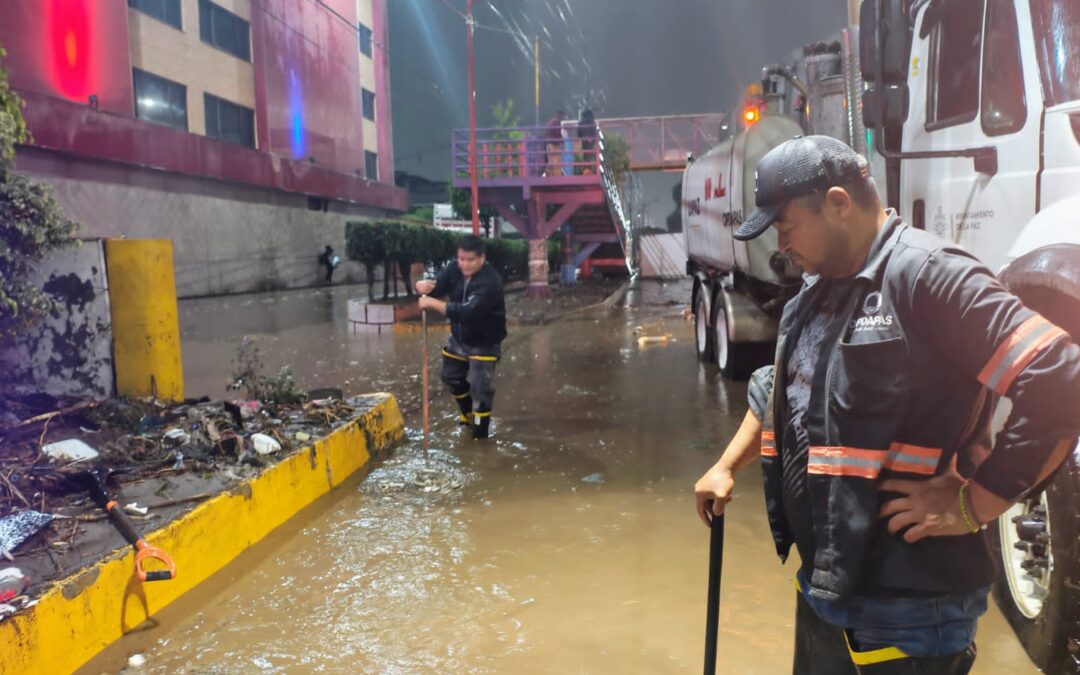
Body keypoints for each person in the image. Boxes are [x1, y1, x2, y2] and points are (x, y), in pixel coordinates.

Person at [695, 135, 1080, 674]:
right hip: (830, 584)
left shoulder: (930, 275)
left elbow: (1060, 381)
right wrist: (724, 466)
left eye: (786, 226)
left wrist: (978, 503)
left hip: (908, 609)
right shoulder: (818, 290)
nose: (781, 246)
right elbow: (782, 386)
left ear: (838, 203)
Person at [415, 235, 507, 440]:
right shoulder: (454, 269)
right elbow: (438, 288)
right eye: (461, 259)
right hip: (459, 338)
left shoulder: (490, 281)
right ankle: (467, 414)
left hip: (484, 341)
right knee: (451, 377)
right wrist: (425, 287)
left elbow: (467, 312)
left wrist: (431, 303)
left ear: (482, 258)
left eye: (470, 260)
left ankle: (480, 435)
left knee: (479, 389)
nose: (464, 264)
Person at [577, 107, 597, 175]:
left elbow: (579, 133)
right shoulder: (592, 122)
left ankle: (586, 169)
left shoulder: (581, 122)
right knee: (590, 155)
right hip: (591, 141)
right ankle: (588, 169)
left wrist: (582, 138)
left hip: (584, 141)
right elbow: (594, 132)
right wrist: (592, 138)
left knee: (585, 155)